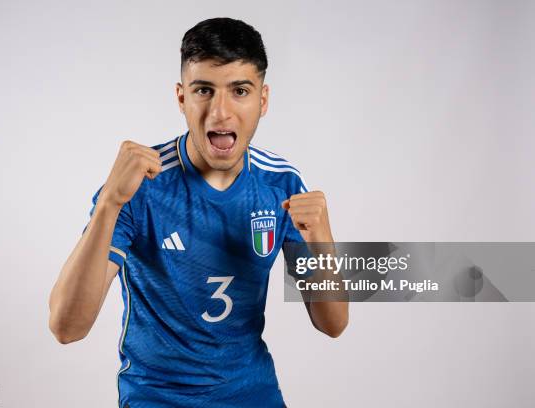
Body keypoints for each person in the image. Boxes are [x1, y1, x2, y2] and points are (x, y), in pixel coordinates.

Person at [49, 17, 348, 408]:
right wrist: (109, 203)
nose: (220, 113)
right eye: (203, 90)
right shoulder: (141, 184)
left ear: (263, 100)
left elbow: (333, 325)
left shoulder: (283, 184)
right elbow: (66, 328)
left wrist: (323, 244)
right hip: (157, 398)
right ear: (181, 98)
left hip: (252, 394)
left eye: (239, 90)